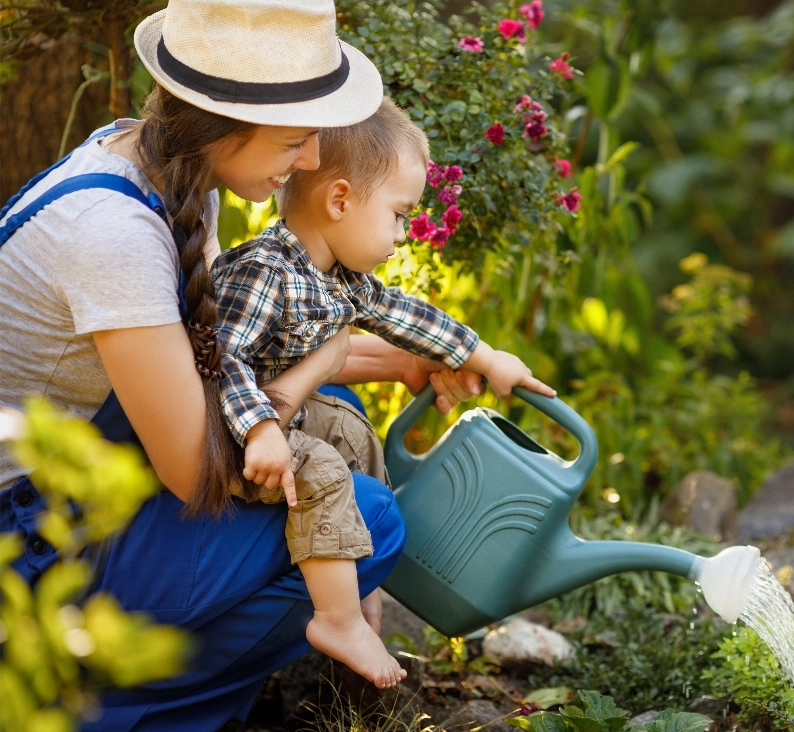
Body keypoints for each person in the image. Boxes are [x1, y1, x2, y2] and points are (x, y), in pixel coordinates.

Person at [0, 0, 482, 728]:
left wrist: (398, 361)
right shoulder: (113, 235)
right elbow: (196, 468)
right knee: (365, 517)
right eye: (297, 138)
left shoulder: (158, 170)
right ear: (225, 125)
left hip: (76, 497)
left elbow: (213, 351)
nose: (315, 159)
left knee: (337, 426)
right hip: (30, 549)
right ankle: (95, 711)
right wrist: (314, 369)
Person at [210, 97, 556, 691]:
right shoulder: (264, 270)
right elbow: (218, 359)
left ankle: (362, 596)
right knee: (318, 465)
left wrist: (489, 359)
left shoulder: (339, 277)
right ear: (339, 200)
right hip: (229, 438)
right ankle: (336, 620)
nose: (402, 234)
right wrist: (262, 430)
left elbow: (406, 315)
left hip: (277, 421)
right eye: (399, 215)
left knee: (352, 433)